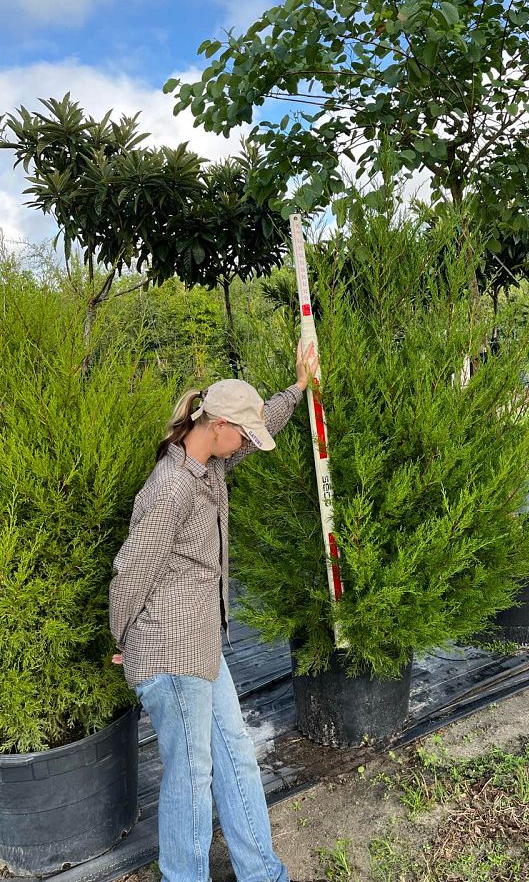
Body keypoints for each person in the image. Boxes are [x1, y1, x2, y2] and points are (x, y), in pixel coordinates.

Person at [109, 339, 321, 882]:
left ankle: (262, 873)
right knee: (191, 774)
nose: (245, 444)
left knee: (235, 755)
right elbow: (131, 569)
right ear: (219, 424)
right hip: (168, 649)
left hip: (201, 641)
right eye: (242, 435)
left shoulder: (210, 463)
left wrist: (297, 387)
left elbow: (261, 422)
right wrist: (123, 638)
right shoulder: (172, 486)